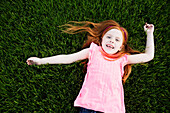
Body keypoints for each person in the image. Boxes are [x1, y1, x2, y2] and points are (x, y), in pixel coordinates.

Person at [26, 20, 154, 113]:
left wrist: (149, 33)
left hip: (112, 109)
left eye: (116, 40)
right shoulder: (93, 51)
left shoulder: (122, 59)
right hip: (89, 105)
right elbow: (68, 58)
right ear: (102, 39)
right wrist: (41, 61)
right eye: (109, 37)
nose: (111, 41)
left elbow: (148, 56)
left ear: (121, 46)